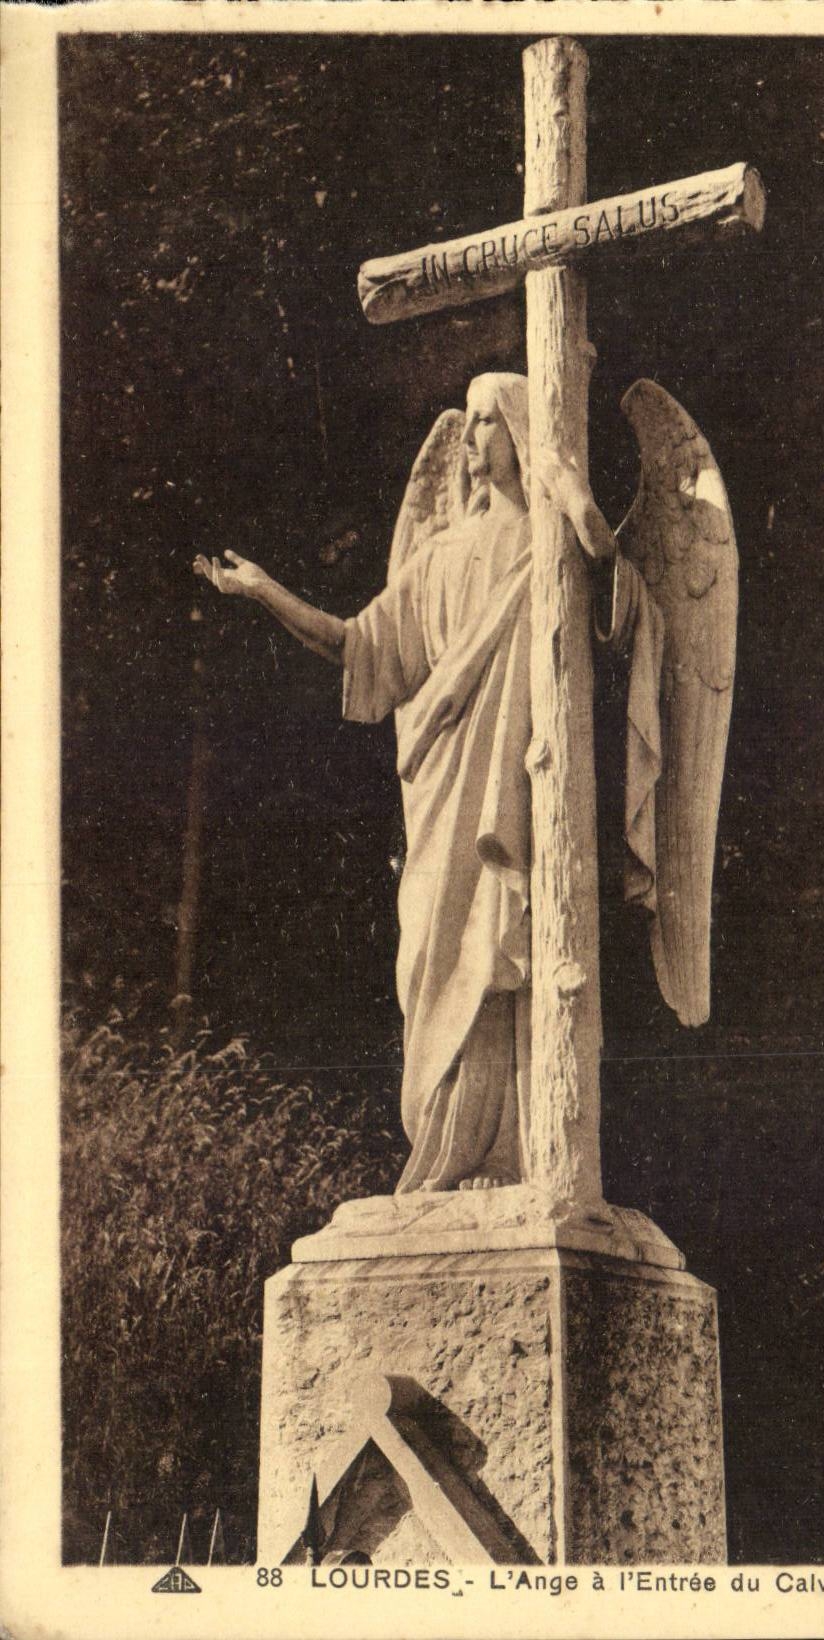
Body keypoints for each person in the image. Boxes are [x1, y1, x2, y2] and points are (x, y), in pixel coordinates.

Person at [194, 373, 658, 1195]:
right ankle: (443, 1155)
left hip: (518, 789)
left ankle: (512, 1157)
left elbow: (620, 619)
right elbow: (354, 644)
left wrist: (577, 499)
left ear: (519, 435)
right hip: (444, 793)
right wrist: (264, 591)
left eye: (489, 423)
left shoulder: (552, 548)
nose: (474, 441)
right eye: (471, 424)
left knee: (507, 954)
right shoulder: (439, 557)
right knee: (436, 961)